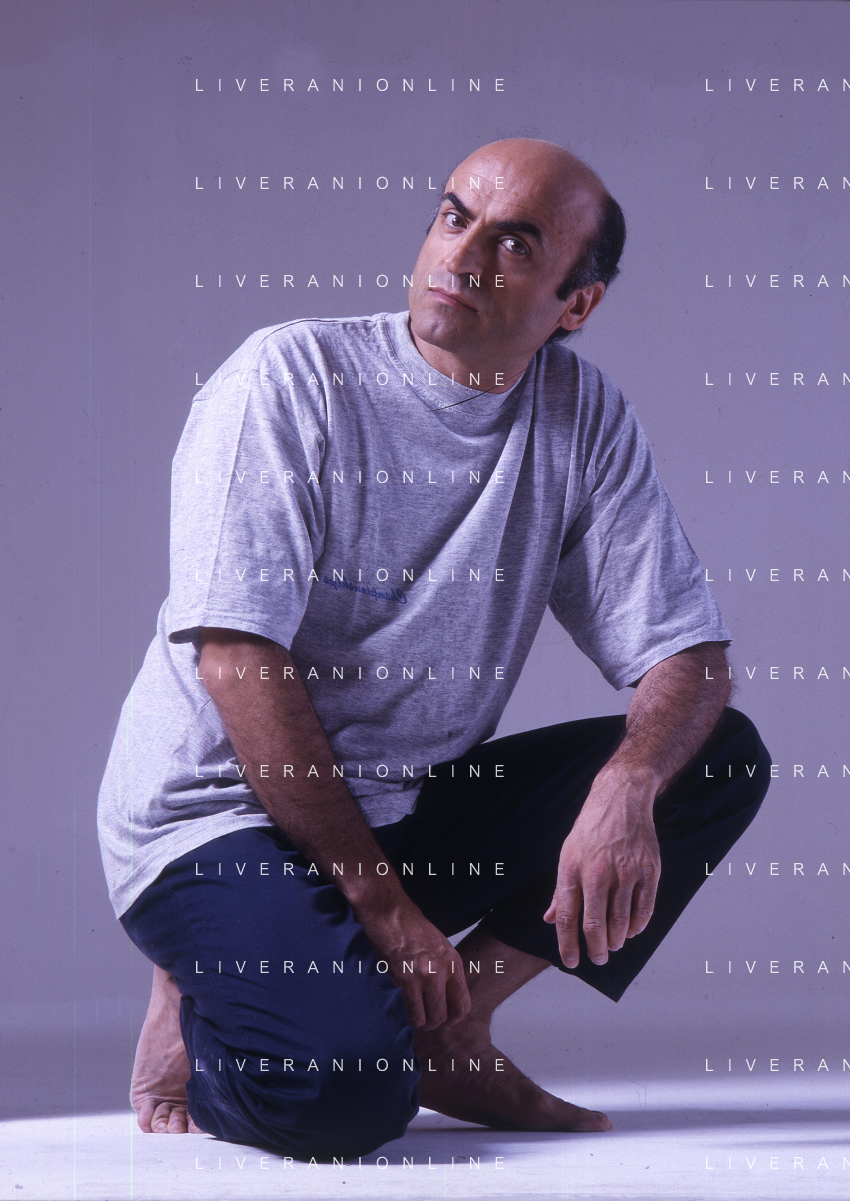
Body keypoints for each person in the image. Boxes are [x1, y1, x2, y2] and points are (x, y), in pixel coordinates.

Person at [98, 138, 770, 1158]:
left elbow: (690, 656)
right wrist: (387, 914)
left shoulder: (580, 416)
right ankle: (201, 1010)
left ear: (576, 304)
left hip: (403, 810)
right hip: (219, 817)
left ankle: (450, 1029)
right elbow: (237, 661)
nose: (462, 255)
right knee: (342, 1099)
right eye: (455, 217)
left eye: (515, 244)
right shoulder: (290, 377)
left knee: (710, 754)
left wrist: (629, 784)